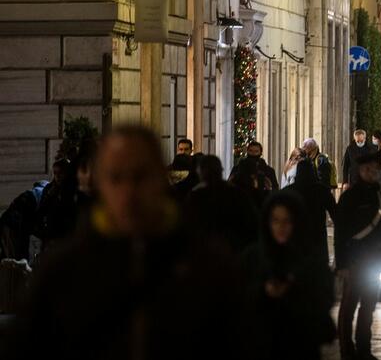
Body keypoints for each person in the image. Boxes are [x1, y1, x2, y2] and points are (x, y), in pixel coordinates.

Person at [11, 124, 245, 359]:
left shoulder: (207, 267)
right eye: (116, 177)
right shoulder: (63, 269)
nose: (129, 191)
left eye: (140, 176)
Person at [241, 192, 335, 360]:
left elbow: (325, 297)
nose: (281, 227)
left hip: (300, 344)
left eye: (287, 221)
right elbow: (239, 298)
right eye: (275, 221)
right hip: (262, 345)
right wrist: (264, 291)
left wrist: (295, 286)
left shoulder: (309, 258)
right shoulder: (254, 257)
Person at [334, 151, 381, 360]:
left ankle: (364, 350)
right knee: (348, 307)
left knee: (368, 306)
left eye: (375, 170)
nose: (372, 173)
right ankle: (347, 352)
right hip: (355, 260)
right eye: (368, 169)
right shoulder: (350, 197)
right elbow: (340, 233)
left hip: (373, 260)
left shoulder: (377, 195)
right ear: (360, 170)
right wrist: (342, 264)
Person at [185, 154, 258, 257]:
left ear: (200, 172)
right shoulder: (236, 193)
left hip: (205, 252)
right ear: (220, 171)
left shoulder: (196, 196)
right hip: (234, 250)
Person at [288, 160, 337, 263]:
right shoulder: (322, 190)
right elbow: (336, 215)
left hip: (295, 239)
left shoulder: (289, 191)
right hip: (318, 238)